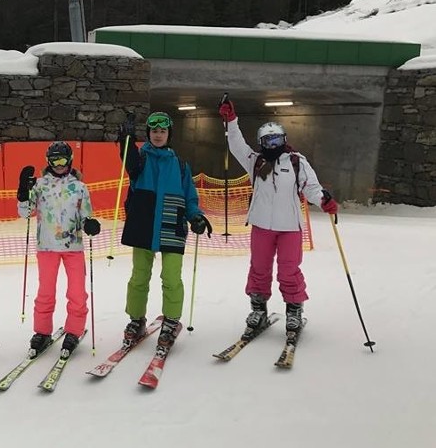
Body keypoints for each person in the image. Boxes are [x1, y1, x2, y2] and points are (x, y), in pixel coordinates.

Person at [218, 98, 338, 335]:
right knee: (259, 268)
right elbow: (236, 145)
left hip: (289, 228)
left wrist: (323, 199)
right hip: (262, 225)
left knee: (288, 269)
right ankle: (258, 309)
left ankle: (294, 311)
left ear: (284, 140)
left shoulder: (296, 161)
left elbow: (310, 186)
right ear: (262, 143)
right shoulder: (256, 162)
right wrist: (231, 121)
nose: (273, 144)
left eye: (277, 139)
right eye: (268, 140)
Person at [116, 111, 211, 351]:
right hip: (144, 225)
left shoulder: (180, 165)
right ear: (148, 134)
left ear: (169, 134)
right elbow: (129, 161)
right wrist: (126, 141)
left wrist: (196, 216)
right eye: (154, 131)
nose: (158, 135)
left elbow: (190, 197)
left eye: (163, 131)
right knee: (139, 277)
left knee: (171, 278)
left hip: (172, 226)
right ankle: (136, 320)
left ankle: (170, 321)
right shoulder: (141, 161)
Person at [17, 141, 100, 358]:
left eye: (63, 160)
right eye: (54, 161)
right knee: (45, 291)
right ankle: (42, 331)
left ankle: (74, 329)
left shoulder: (80, 187)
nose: (59, 165)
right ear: (48, 162)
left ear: (70, 160)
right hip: (46, 247)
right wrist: (23, 193)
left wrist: (90, 223)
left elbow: (86, 214)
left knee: (76, 292)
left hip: (73, 246)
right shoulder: (40, 185)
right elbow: (26, 213)